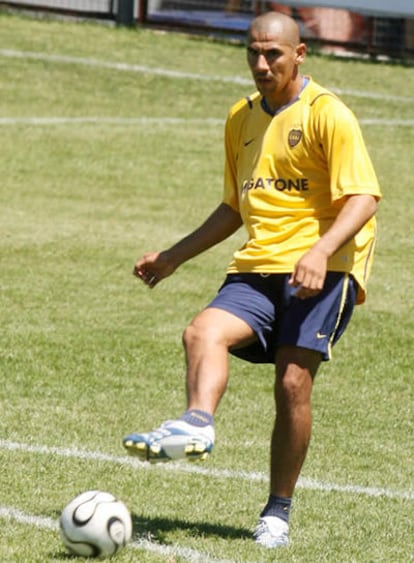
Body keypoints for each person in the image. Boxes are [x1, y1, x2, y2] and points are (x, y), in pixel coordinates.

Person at [123, 11, 381, 549]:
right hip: (257, 266)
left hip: (324, 271)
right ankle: (197, 423)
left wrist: (321, 250)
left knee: (292, 382)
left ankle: (277, 512)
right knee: (201, 332)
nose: (261, 65)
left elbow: (363, 197)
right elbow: (232, 208)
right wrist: (173, 257)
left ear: (300, 54)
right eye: (253, 54)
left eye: (273, 55)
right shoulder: (240, 117)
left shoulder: (328, 114)